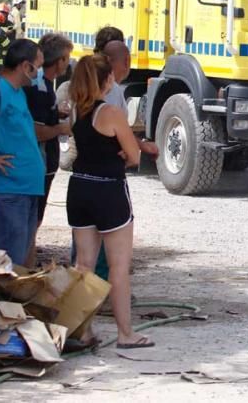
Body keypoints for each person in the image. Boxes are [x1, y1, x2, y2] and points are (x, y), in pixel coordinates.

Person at [66, 55, 151, 348]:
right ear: (108, 80)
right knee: (118, 266)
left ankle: (81, 331)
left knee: (83, 263)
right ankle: (125, 333)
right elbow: (134, 156)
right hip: (109, 190)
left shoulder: (76, 110)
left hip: (79, 187)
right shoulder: (111, 113)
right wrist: (123, 155)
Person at [0, 39, 46, 265]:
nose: (40, 72)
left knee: (18, 259)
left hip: (23, 189)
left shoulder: (17, 92)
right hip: (7, 191)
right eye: (38, 65)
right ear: (26, 66)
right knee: (6, 262)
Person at [25, 33, 74, 267]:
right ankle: (27, 261)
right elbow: (38, 129)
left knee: (35, 214)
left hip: (44, 161)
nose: (68, 63)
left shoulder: (44, 84)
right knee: (33, 215)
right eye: (67, 58)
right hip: (39, 160)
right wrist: (62, 127)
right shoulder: (39, 87)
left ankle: (29, 256)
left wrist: (57, 114)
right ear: (59, 60)